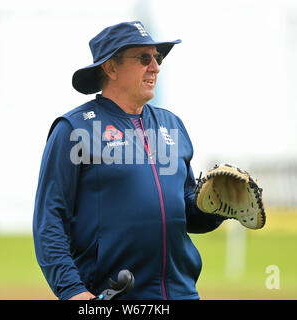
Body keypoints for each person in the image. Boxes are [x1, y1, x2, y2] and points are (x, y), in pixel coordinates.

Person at [32, 21, 225, 300]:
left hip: (182, 293)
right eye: (144, 58)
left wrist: (216, 206)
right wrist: (72, 291)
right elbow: (50, 219)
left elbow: (185, 212)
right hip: (114, 294)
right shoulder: (74, 129)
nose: (156, 67)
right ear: (111, 67)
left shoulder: (172, 125)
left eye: (157, 58)